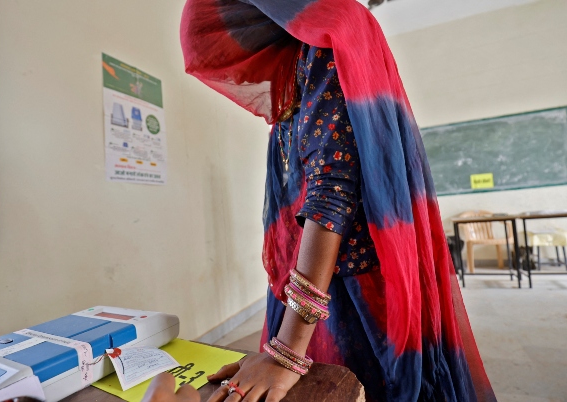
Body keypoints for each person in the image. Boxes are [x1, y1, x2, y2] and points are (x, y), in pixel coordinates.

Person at [176, 1, 498, 401]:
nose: (239, 72)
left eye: (230, 50)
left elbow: (332, 189)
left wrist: (285, 354)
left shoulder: (327, 40)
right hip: (318, 277)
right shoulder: (298, 69)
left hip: (352, 285)